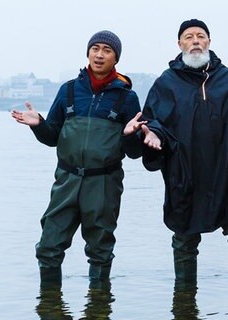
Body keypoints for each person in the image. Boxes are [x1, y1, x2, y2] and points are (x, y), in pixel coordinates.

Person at [11, 30, 144, 288]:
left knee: (100, 251)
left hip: (104, 183)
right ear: (88, 53)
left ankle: (98, 307)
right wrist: (38, 124)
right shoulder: (69, 90)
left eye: (107, 50)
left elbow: (136, 152)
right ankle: (49, 306)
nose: (100, 54)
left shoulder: (127, 97)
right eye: (95, 48)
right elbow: (52, 137)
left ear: (116, 58)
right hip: (67, 180)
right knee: (49, 247)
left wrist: (129, 135)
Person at [136, 19, 228, 284]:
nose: (195, 41)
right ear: (179, 44)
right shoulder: (166, 83)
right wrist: (153, 134)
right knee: (183, 239)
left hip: (227, 171)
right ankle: (184, 302)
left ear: (209, 42)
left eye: (201, 36)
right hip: (184, 173)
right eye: (189, 37)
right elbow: (151, 120)